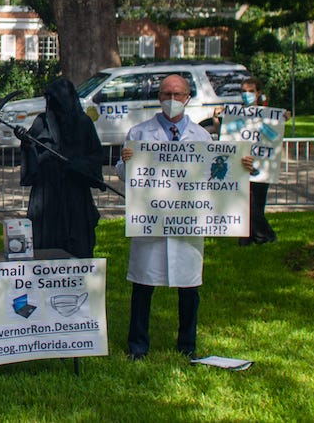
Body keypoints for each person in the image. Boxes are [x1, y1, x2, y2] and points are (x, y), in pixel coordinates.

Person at [116, 74, 253, 360]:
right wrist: (126, 162)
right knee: (143, 286)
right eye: (166, 94)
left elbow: (218, 174)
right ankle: (138, 346)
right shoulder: (140, 134)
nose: (172, 100)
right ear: (158, 98)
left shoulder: (202, 137)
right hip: (152, 223)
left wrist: (241, 167)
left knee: (189, 288)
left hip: (188, 224)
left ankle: (187, 345)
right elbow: (124, 173)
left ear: (187, 98)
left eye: (178, 95)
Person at [16, 77, 105, 258]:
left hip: (76, 195)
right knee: (45, 243)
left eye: (56, 100)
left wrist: (78, 165)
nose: (52, 104)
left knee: (79, 245)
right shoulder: (42, 122)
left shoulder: (84, 124)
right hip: (47, 193)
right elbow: (32, 153)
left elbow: (95, 157)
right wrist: (26, 143)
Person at [216, 76, 280, 246]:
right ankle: (254, 237)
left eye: (251, 91)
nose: (247, 95)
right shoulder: (234, 113)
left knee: (256, 202)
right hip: (240, 163)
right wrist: (217, 119)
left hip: (261, 164)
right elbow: (224, 134)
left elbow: (274, 135)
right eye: (244, 91)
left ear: (259, 93)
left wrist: (283, 118)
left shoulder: (269, 115)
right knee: (244, 201)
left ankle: (258, 236)